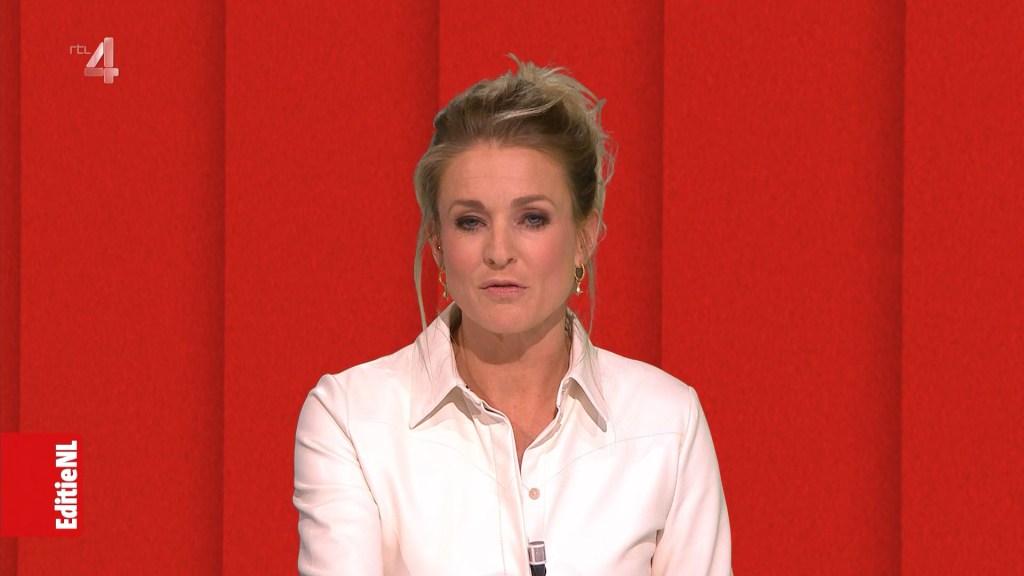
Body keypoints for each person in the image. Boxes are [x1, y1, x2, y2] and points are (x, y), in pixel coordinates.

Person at [293, 59, 732, 575]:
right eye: (471, 221)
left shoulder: (667, 422)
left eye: (532, 218)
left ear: (584, 236)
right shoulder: (350, 419)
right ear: (438, 243)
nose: (499, 252)